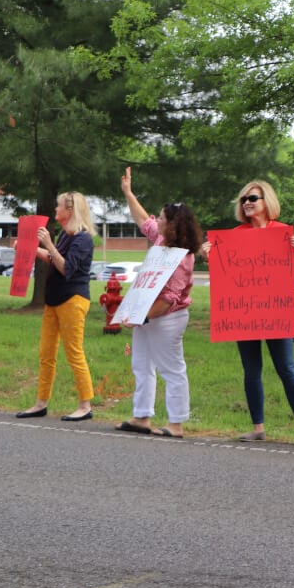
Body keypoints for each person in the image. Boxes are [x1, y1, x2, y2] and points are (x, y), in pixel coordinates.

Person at [198, 180, 294, 448]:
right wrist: (209, 256)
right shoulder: (234, 235)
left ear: (267, 202)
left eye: (253, 198)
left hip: (275, 311)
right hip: (245, 313)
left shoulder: (282, 234)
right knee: (251, 370)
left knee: (287, 368)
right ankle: (258, 428)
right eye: (243, 200)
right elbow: (225, 276)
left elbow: (292, 276)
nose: (247, 203)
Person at [115, 168, 202, 438]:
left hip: (166, 318)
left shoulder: (181, 258)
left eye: (162, 218)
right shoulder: (161, 240)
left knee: (171, 368)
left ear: (173, 225)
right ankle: (141, 416)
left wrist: (140, 316)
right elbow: (143, 219)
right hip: (148, 315)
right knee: (141, 364)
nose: (158, 221)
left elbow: (167, 300)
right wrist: (128, 193)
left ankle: (176, 423)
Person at [16, 192, 97, 421]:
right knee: (46, 353)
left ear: (69, 210)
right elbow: (53, 259)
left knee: (74, 352)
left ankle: (85, 405)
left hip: (73, 300)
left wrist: (49, 244)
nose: (55, 210)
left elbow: (66, 268)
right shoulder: (65, 235)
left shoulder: (83, 239)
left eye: (59, 206)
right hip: (53, 300)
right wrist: (28, 249)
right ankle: (41, 403)